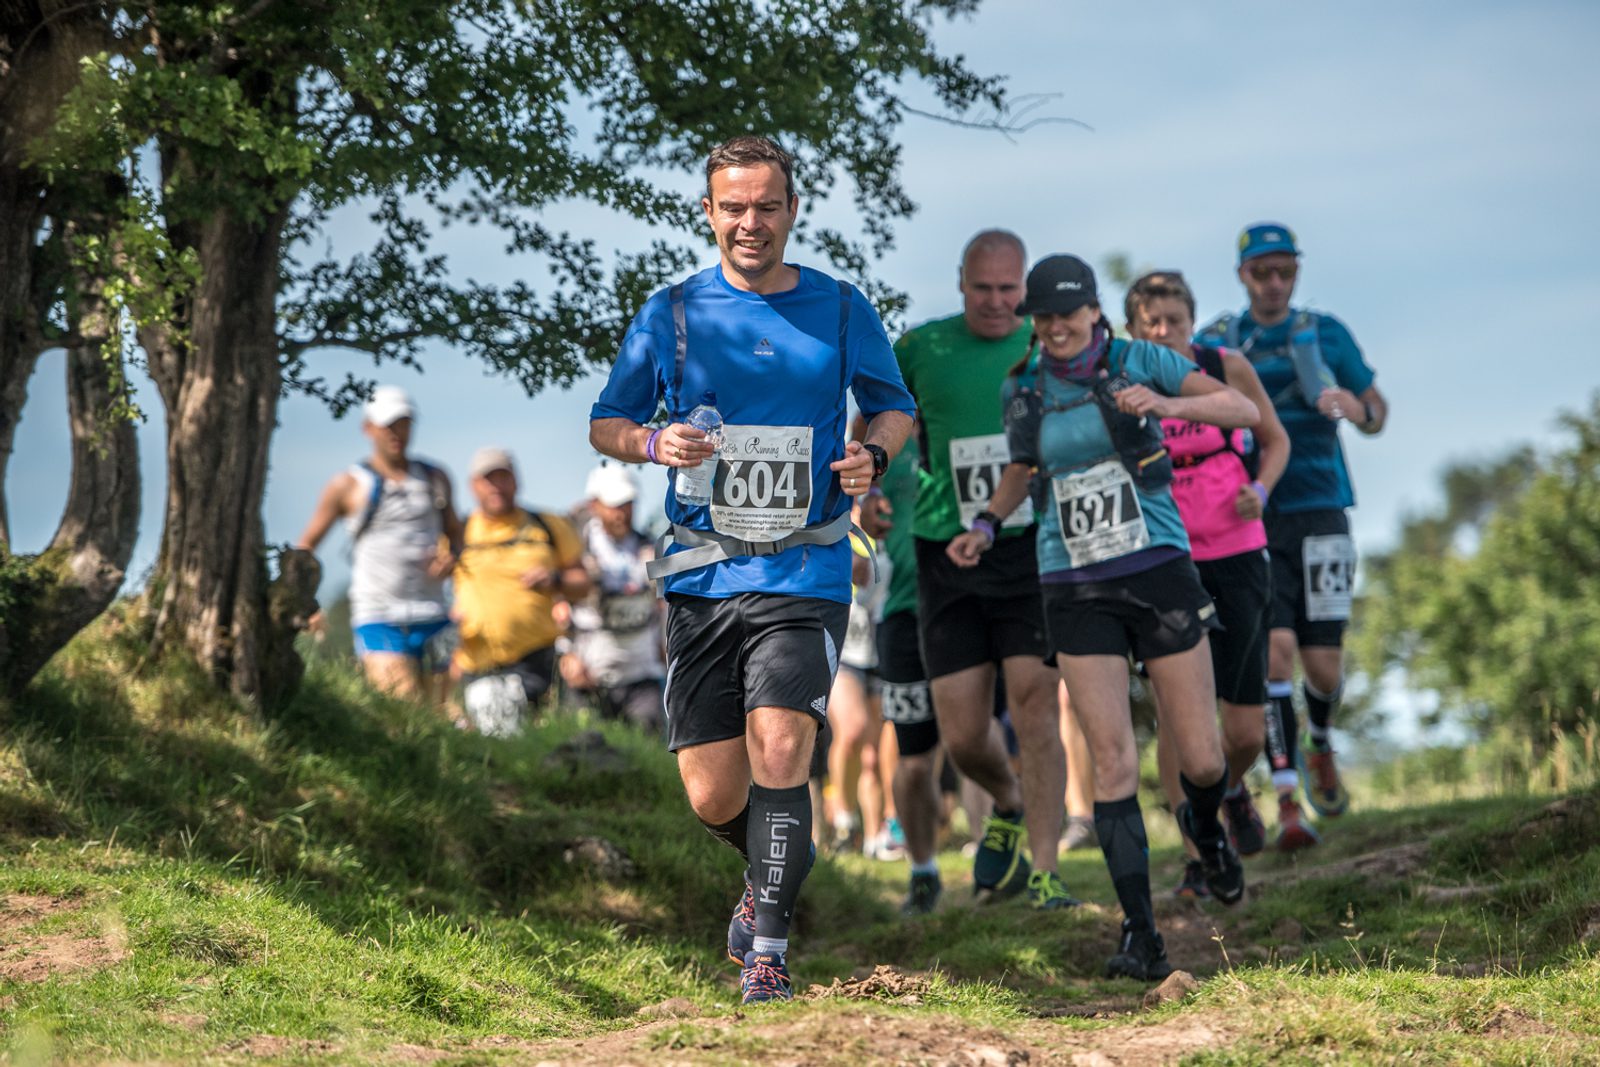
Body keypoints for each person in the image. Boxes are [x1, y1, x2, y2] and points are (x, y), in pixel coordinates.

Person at [588, 135, 914, 1004]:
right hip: (703, 574)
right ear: (709, 213)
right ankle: (773, 867)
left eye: (766, 205)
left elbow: (894, 408)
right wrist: (653, 440)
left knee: (782, 746)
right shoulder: (673, 313)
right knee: (711, 790)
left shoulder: (840, 309)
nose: (750, 222)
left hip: (805, 568)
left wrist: (870, 460)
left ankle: (767, 948)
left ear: (792, 211)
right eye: (733, 207)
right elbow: (607, 421)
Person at [949, 254, 1258, 981]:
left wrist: (1165, 404)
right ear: (1034, 319)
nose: (1057, 327)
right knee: (1114, 759)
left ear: (1094, 311)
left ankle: (1207, 833)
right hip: (1073, 577)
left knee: (1205, 757)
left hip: (1156, 566)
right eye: (1044, 316)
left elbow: (1240, 409)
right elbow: (1024, 467)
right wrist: (988, 525)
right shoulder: (1021, 386)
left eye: (1070, 313)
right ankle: (1140, 932)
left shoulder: (1140, 357)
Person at [861, 229, 1076, 911]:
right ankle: (1008, 798)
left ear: (1026, 286)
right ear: (961, 283)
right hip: (943, 549)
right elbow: (875, 418)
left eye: (1009, 290)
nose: (996, 303)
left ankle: (1045, 872)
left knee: (1037, 710)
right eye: (982, 289)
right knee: (961, 735)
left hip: (1028, 546)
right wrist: (869, 487)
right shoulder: (922, 348)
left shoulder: (1045, 345)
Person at [1197, 224, 1387, 847]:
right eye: (1262, 272)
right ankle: (1286, 800)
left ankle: (1322, 740)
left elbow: (1377, 411)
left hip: (1323, 507)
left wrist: (1353, 410)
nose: (1274, 283)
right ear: (1242, 275)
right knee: (1274, 652)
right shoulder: (1217, 343)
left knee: (1324, 667)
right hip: (1250, 516)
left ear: (1297, 272)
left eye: (1284, 271)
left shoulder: (1324, 333)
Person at [1124, 270, 1290, 890]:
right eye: (1152, 324)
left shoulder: (1227, 368)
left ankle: (1229, 786)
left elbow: (1275, 442)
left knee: (1243, 729)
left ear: (1193, 322)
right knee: (1178, 714)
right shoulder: (1126, 380)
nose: (1165, 332)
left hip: (1240, 550)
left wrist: (1259, 488)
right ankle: (1199, 854)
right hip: (1168, 561)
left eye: (1175, 320)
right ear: (1135, 331)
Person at [296, 385, 461, 703]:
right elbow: (306, 546)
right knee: (405, 706)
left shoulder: (435, 478)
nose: (397, 433)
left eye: (404, 424)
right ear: (368, 428)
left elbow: (455, 531)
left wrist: (452, 556)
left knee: (441, 713)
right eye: (389, 425)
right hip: (379, 615)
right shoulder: (348, 485)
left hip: (434, 614)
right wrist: (305, 602)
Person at [451, 447, 589, 735]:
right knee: (493, 746)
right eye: (489, 480)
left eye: (503, 478)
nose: (497, 487)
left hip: (536, 661)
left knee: (536, 740)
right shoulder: (457, 533)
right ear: (473, 486)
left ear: (516, 480)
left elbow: (583, 583)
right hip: (478, 665)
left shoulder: (548, 526)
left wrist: (555, 580)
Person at [563, 463, 666, 733]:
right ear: (594, 505)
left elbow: (664, 604)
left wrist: (666, 643)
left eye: (629, 503)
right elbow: (557, 606)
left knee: (648, 759)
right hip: (589, 678)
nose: (623, 512)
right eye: (615, 504)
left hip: (643, 676)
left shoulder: (651, 549)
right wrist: (565, 653)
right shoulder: (575, 552)